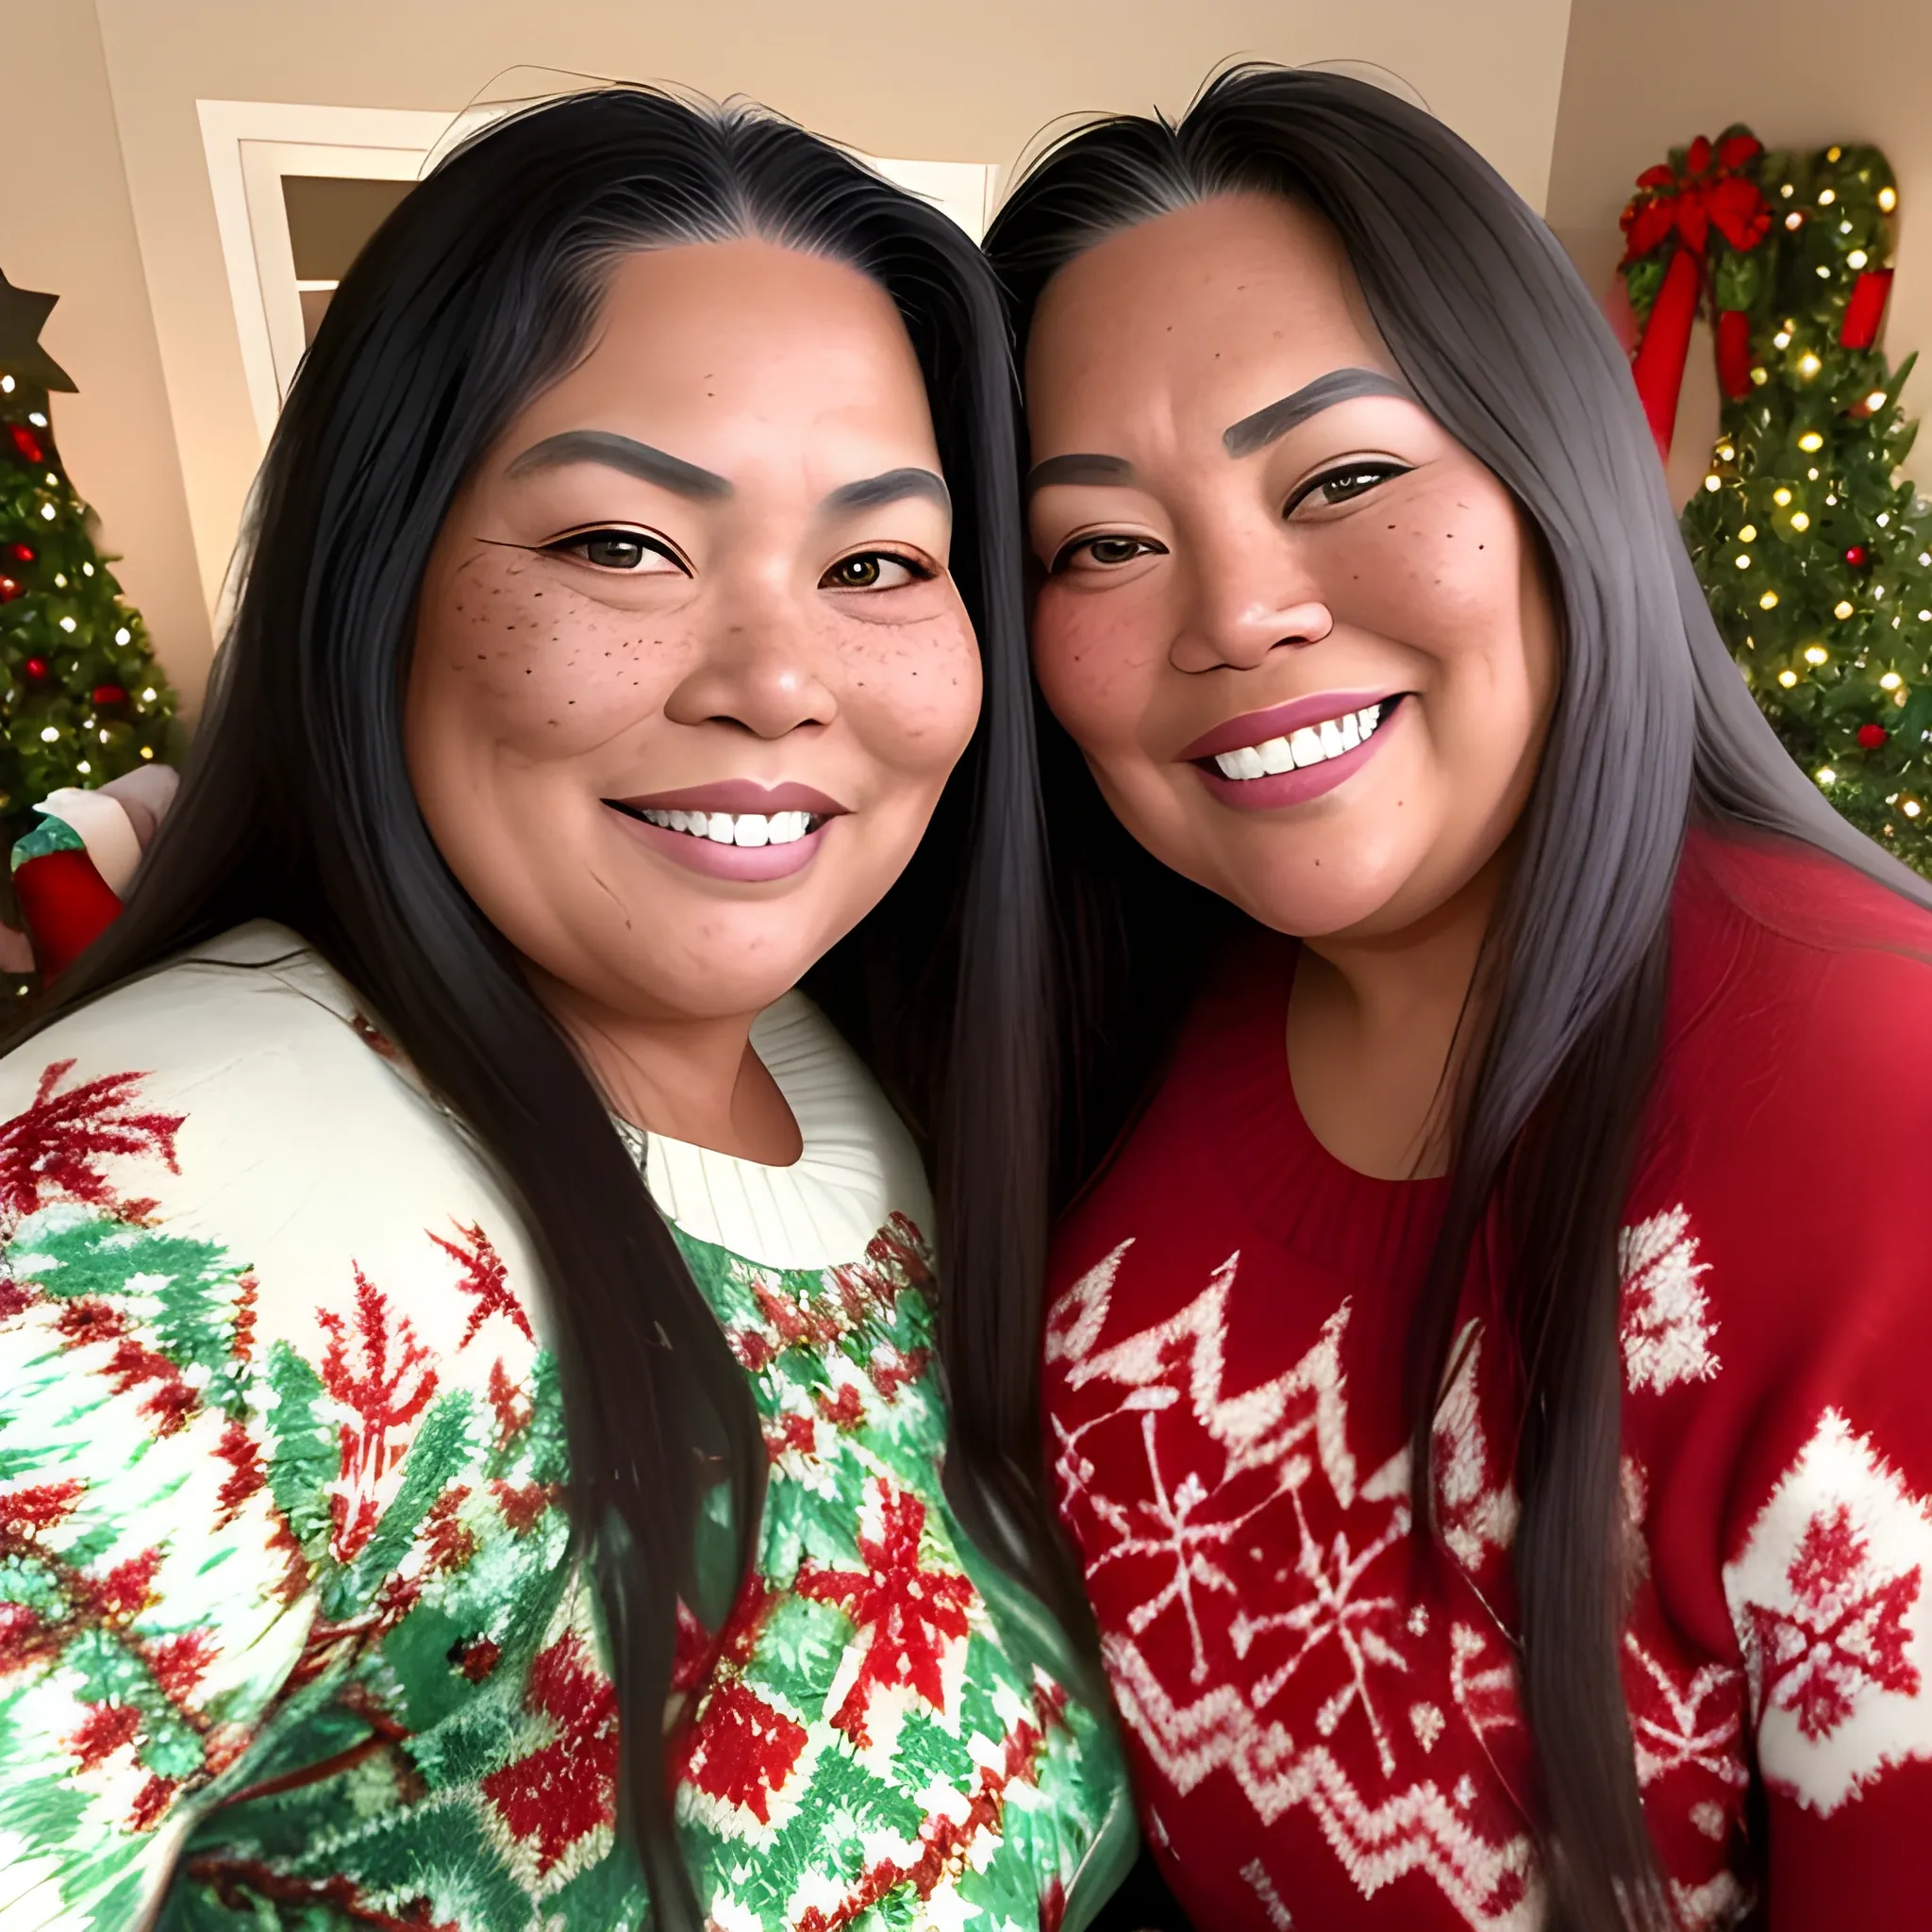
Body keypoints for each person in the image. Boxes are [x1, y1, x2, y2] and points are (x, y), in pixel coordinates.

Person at [0, 88, 1133, 1932]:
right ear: (384, 579)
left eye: (875, 564)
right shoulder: (164, 1202)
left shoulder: (863, 1054)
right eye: (620, 542)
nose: (777, 681)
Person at [983, 64, 1932, 1932]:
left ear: (1547, 471)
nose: (1231, 612)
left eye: (1342, 474)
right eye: (1099, 539)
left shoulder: (1875, 1103)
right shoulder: (1129, 1005)